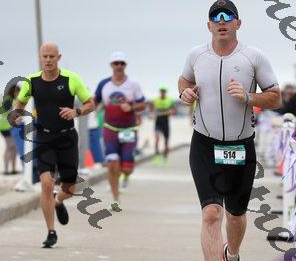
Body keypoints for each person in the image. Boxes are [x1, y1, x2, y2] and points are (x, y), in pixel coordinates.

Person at [179, 0, 281, 261]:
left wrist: (249, 97)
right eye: (216, 17)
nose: (222, 21)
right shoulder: (197, 55)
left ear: (238, 23)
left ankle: (232, 257)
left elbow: (276, 97)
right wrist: (185, 93)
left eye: (228, 16)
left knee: (236, 215)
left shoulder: (253, 57)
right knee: (212, 213)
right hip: (205, 145)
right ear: (209, 25)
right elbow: (184, 81)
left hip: (240, 146)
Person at [11, 43, 95, 248]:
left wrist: (76, 112)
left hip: (67, 138)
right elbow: (19, 103)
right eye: (45, 56)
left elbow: (90, 103)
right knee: (46, 183)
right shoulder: (32, 81)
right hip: (44, 138)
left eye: (52, 56)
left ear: (59, 57)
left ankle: (58, 201)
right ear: (40, 57)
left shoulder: (71, 79)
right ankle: (51, 231)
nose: (48, 60)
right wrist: (15, 114)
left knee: (70, 187)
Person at [95, 51, 146, 212]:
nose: (119, 66)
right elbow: (94, 101)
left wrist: (131, 107)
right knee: (112, 164)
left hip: (128, 130)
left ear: (125, 65)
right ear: (111, 65)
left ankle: (125, 175)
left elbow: (143, 104)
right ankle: (115, 199)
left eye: (122, 63)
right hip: (110, 129)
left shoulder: (133, 84)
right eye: (116, 63)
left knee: (127, 168)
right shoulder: (104, 84)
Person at [149, 84, 176, 164]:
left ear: (165, 92)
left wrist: (171, 112)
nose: (162, 92)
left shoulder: (169, 100)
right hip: (158, 122)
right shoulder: (155, 100)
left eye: (164, 91)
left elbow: (174, 110)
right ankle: (156, 154)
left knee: (166, 141)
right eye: (161, 91)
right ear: (160, 92)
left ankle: (165, 157)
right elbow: (150, 109)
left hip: (166, 122)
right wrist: (151, 113)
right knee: (157, 139)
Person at [0, 84, 19, 174]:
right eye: (18, 92)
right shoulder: (9, 100)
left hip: (6, 126)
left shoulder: (7, 99)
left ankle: (12, 169)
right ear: (14, 91)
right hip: (6, 127)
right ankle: (6, 169)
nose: (19, 94)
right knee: (10, 147)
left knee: (13, 148)